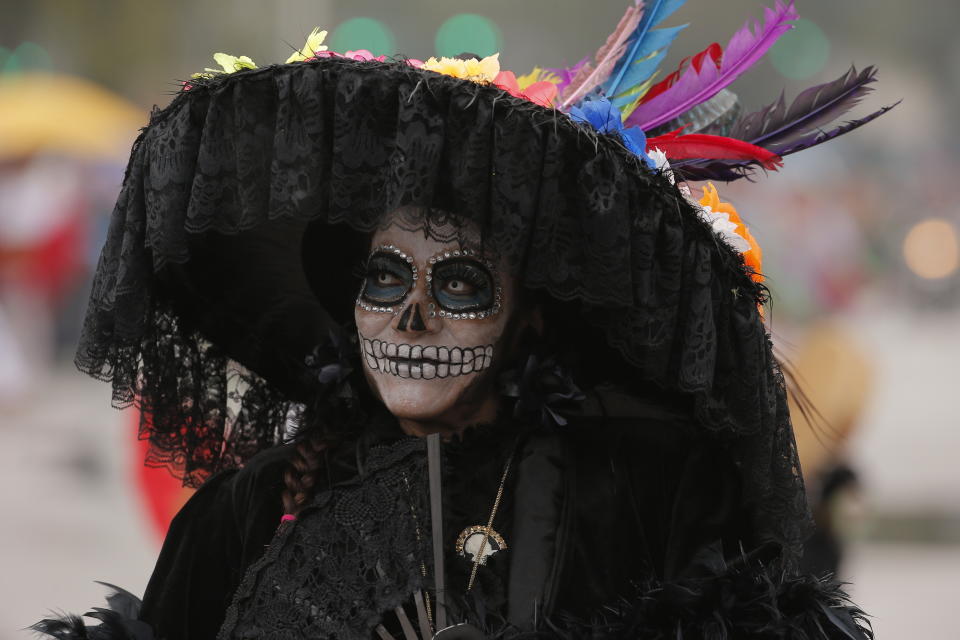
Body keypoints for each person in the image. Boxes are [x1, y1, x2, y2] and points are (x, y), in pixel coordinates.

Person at [35, 3, 891, 638]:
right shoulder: (253, 509)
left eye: (458, 285)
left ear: (532, 318)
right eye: (383, 278)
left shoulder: (645, 492)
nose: (408, 319)